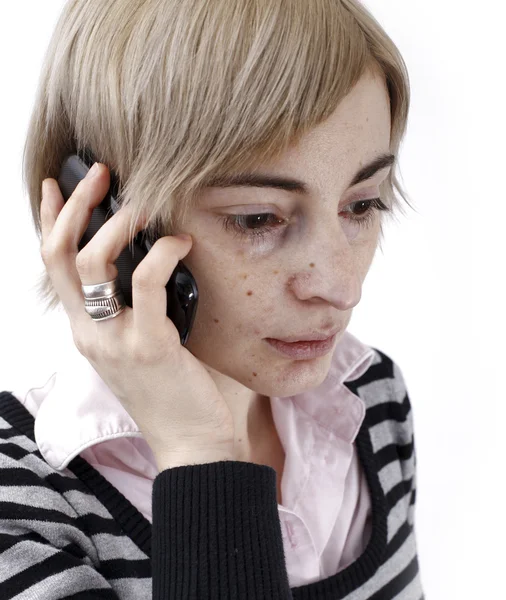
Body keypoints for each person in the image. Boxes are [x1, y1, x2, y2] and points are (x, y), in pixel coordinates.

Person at [0, 0, 424, 598]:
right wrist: (199, 456)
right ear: (102, 222)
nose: (340, 286)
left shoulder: (370, 397)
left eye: (362, 204)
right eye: (257, 218)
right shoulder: (21, 504)